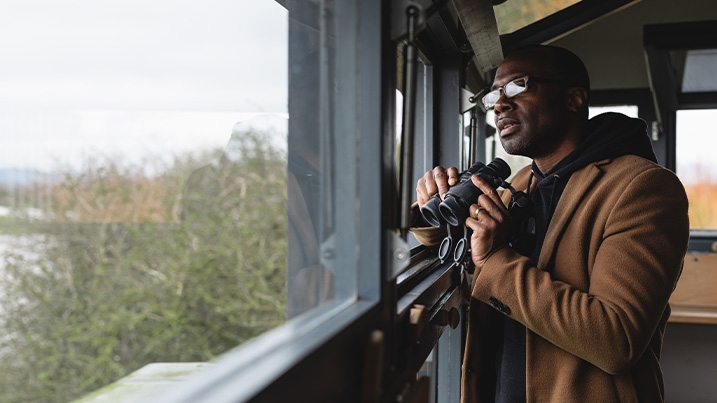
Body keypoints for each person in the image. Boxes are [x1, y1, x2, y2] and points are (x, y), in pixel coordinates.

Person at [412, 45, 689, 403]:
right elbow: (470, 250)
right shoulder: (524, 181)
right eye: (495, 94)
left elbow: (616, 340)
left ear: (574, 98)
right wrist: (431, 209)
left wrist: (496, 260)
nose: (500, 104)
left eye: (518, 86)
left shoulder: (643, 187)